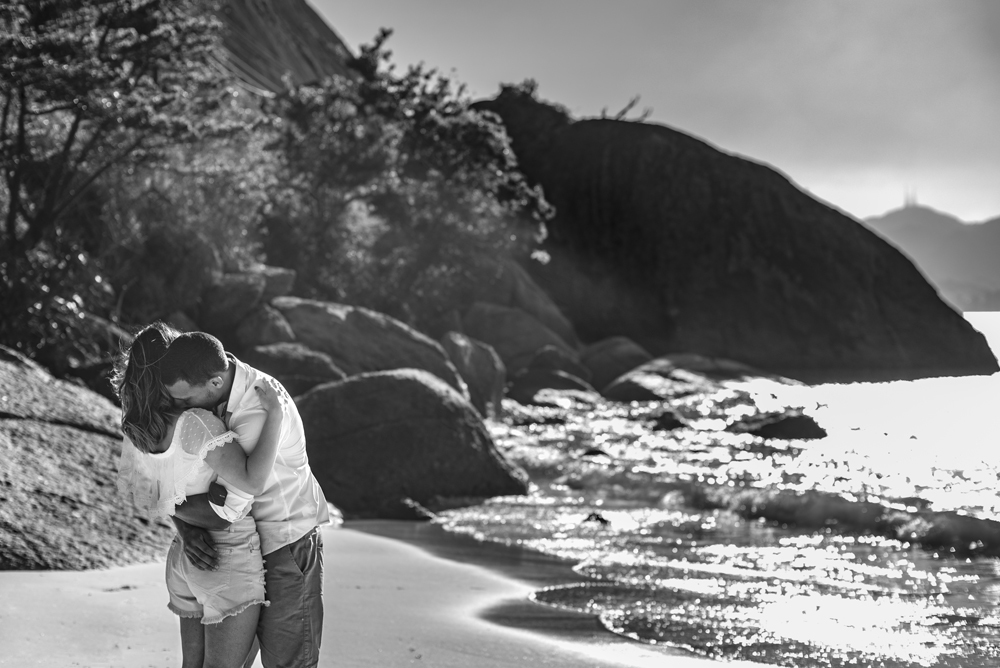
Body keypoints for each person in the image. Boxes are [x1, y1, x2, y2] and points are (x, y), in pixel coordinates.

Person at [114, 322, 287, 668]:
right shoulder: (196, 423)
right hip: (226, 557)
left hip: (183, 556)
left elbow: (159, 495)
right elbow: (251, 482)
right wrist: (276, 415)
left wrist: (185, 528)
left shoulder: (137, 428)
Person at [159, 329, 330, 668]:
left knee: (289, 664)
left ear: (214, 383)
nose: (181, 411)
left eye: (185, 400)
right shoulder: (211, 391)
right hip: (240, 547)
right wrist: (184, 526)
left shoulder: (259, 409)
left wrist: (174, 511)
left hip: (284, 546)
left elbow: (228, 506)